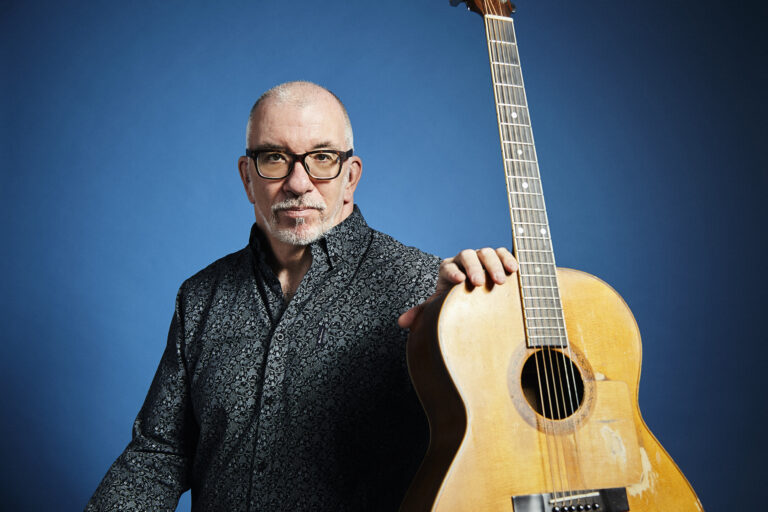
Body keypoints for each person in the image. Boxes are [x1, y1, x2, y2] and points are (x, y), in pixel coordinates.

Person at [86, 81, 517, 511]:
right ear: (247, 177)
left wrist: (471, 319)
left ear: (350, 177)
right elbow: (159, 453)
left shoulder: (426, 290)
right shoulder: (200, 297)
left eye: (322, 158)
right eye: (274, 157)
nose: (297, 182)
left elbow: (487, 446)